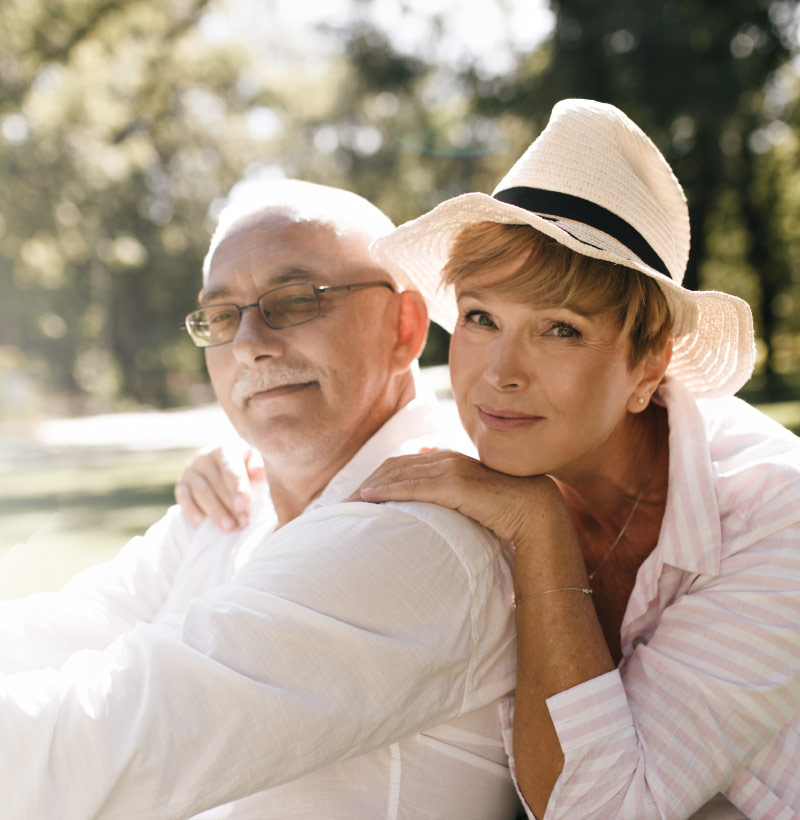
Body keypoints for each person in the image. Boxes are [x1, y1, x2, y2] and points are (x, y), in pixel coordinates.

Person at [183, 100, 800, 819]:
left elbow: (601, 810)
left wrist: (540, 530)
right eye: (481, 317)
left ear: (647, 364)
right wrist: (241, 459)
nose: (500, 372)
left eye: (560, 329)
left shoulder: (774, 516)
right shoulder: (508, 447)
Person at [0, 180, 518, 819]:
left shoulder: (422, 537)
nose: (249, 343)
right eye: (222, 316)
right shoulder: (229, 502)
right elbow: (60, 629)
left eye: (296, 300)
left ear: (404, 328)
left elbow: (107, 740)